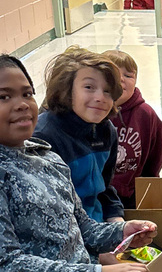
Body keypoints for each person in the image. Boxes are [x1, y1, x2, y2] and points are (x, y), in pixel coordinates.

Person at [0, 54, 157, 272]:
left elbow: (83, 228)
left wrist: (121, 232)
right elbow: (6, 268)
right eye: (4, 97)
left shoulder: (46, 156)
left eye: (27, 94)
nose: (22, 104)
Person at [33, 46, 124, 222]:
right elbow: (46, 213)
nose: (101, 97)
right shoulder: (43, 137)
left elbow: (104, 188)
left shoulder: (107, 132)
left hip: (97, 229)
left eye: (107, 91)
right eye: (89, 87)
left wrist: (116, 220)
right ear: (65, 90)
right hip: (64, 235)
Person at [103, 49, 162, 209]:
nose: (122, 80)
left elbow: (156, 152)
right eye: (115, 74)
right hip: (99, 193)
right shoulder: (93, 112)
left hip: (132, 194)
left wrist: (150, 185)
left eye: (128, 76)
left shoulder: (146, 114)